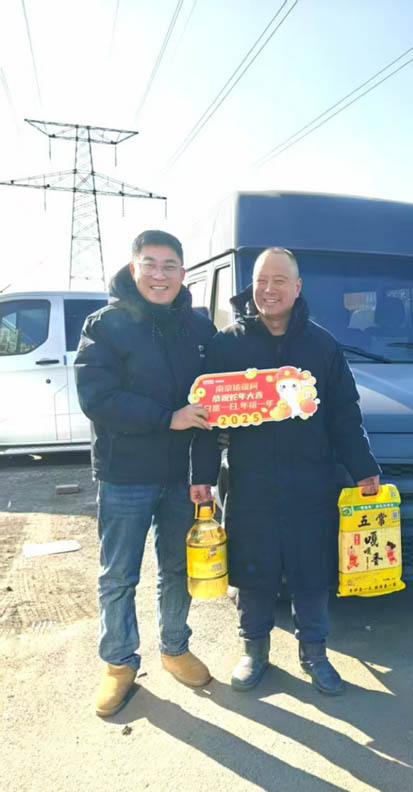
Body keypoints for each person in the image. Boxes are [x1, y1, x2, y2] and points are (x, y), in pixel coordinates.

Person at [191, 247, 380, 696]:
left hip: (312, 481)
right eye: (261, 280)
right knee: (253, 570)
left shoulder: (322, 345)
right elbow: (205, 418)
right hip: (250, 481)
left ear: (297, 288)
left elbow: (345, 414)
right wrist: (202, 475)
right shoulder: (227, 344)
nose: (269, 289)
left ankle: (315, 653)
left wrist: (363, 467)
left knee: (311, 571)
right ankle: (254, 652)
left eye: (279, 281)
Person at [75, 230, 217, 717]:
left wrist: (203, 473)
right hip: (125, 474)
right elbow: (97, 398)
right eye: (150, 264)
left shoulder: (200, 330)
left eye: (169, 266)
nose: (160, 275)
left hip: (181, 476)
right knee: (119, 574)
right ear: (134, 268)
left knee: (178, 569)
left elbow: (211, 407)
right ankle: (118, 664)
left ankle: (175, 648)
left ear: (183, 273)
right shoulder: (106, 325)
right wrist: (166, 418)